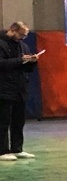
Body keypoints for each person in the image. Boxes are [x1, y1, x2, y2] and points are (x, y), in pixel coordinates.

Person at [0, 20, 40, 161]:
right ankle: (2, 151)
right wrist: (20, 60)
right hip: (4, 89)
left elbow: (26, 68)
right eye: (21, 35)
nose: (23, 38)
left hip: (20, 89)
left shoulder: (23, 46)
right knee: (3, 121)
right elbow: (2, 64)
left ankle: (17, 149)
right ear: (12, 30)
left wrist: (32, 61)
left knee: (18, 121)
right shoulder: (1, 44)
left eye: (25, 36)